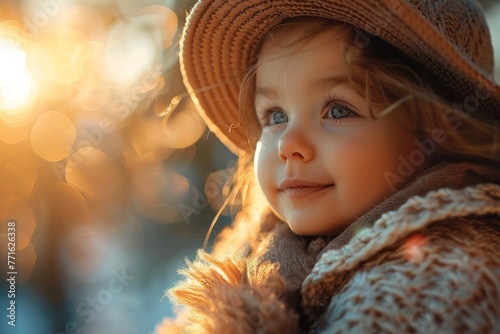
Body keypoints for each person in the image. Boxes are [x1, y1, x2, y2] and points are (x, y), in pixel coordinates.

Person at [156, 0, 500, 333]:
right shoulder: (253, 252)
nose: (289, 145)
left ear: (434, 134)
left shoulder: (434, 280)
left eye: (338, 110)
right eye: (276, 116)